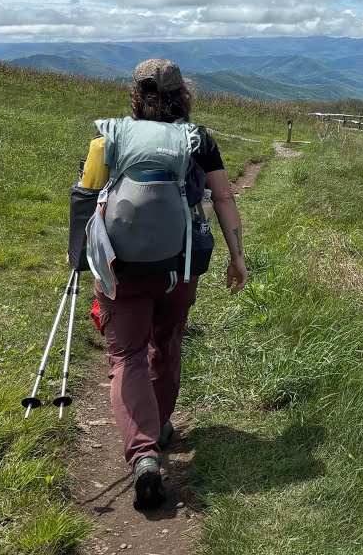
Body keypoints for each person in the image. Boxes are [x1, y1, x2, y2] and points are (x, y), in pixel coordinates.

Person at [71, 58, 248, 509]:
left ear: (137, 94)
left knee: (125, 355)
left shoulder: (107, 138)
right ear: (181, 95)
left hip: (119, 267)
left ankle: (143, 452)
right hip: (179, 266)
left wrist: (79, 258)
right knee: (165, 343)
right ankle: (160, 424)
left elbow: (85, 199)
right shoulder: (198, 140)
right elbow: (223, 196)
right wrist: (237, 257)